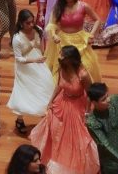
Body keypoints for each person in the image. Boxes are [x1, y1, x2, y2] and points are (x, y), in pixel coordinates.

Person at [29, 45, 100, 174]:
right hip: (62, 102)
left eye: (63, 55)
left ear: (71, 59)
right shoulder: (62, 68)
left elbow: (90, 94)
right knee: (55, 131)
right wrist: (50, 102)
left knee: (78, 137)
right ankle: (54, 158)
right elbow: (59, 86)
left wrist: (88, 112)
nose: (59, 57)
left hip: (78, 105)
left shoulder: (83, 74)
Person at [6, 9, 54, 133]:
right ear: (21, 23)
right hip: (25, 68)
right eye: (28, 23)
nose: (31, 25)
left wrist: (42, 57)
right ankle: (20, 119)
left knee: (46, 86)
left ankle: (46, 116)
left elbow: (42, 45)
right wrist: (34, 60)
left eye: (32, 22)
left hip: (39, 64)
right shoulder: (17, 39)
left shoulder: (38, 30)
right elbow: (18, 59)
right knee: (24, 92)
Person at [45, 0, 102, 82]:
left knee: (85, 65)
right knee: (63, 67)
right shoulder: (58, 8)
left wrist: (91, 34)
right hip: (62, 41)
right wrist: (54, 35)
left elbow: (97, 19)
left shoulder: (83, 6)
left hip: (80, 40)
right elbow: (52, 24)